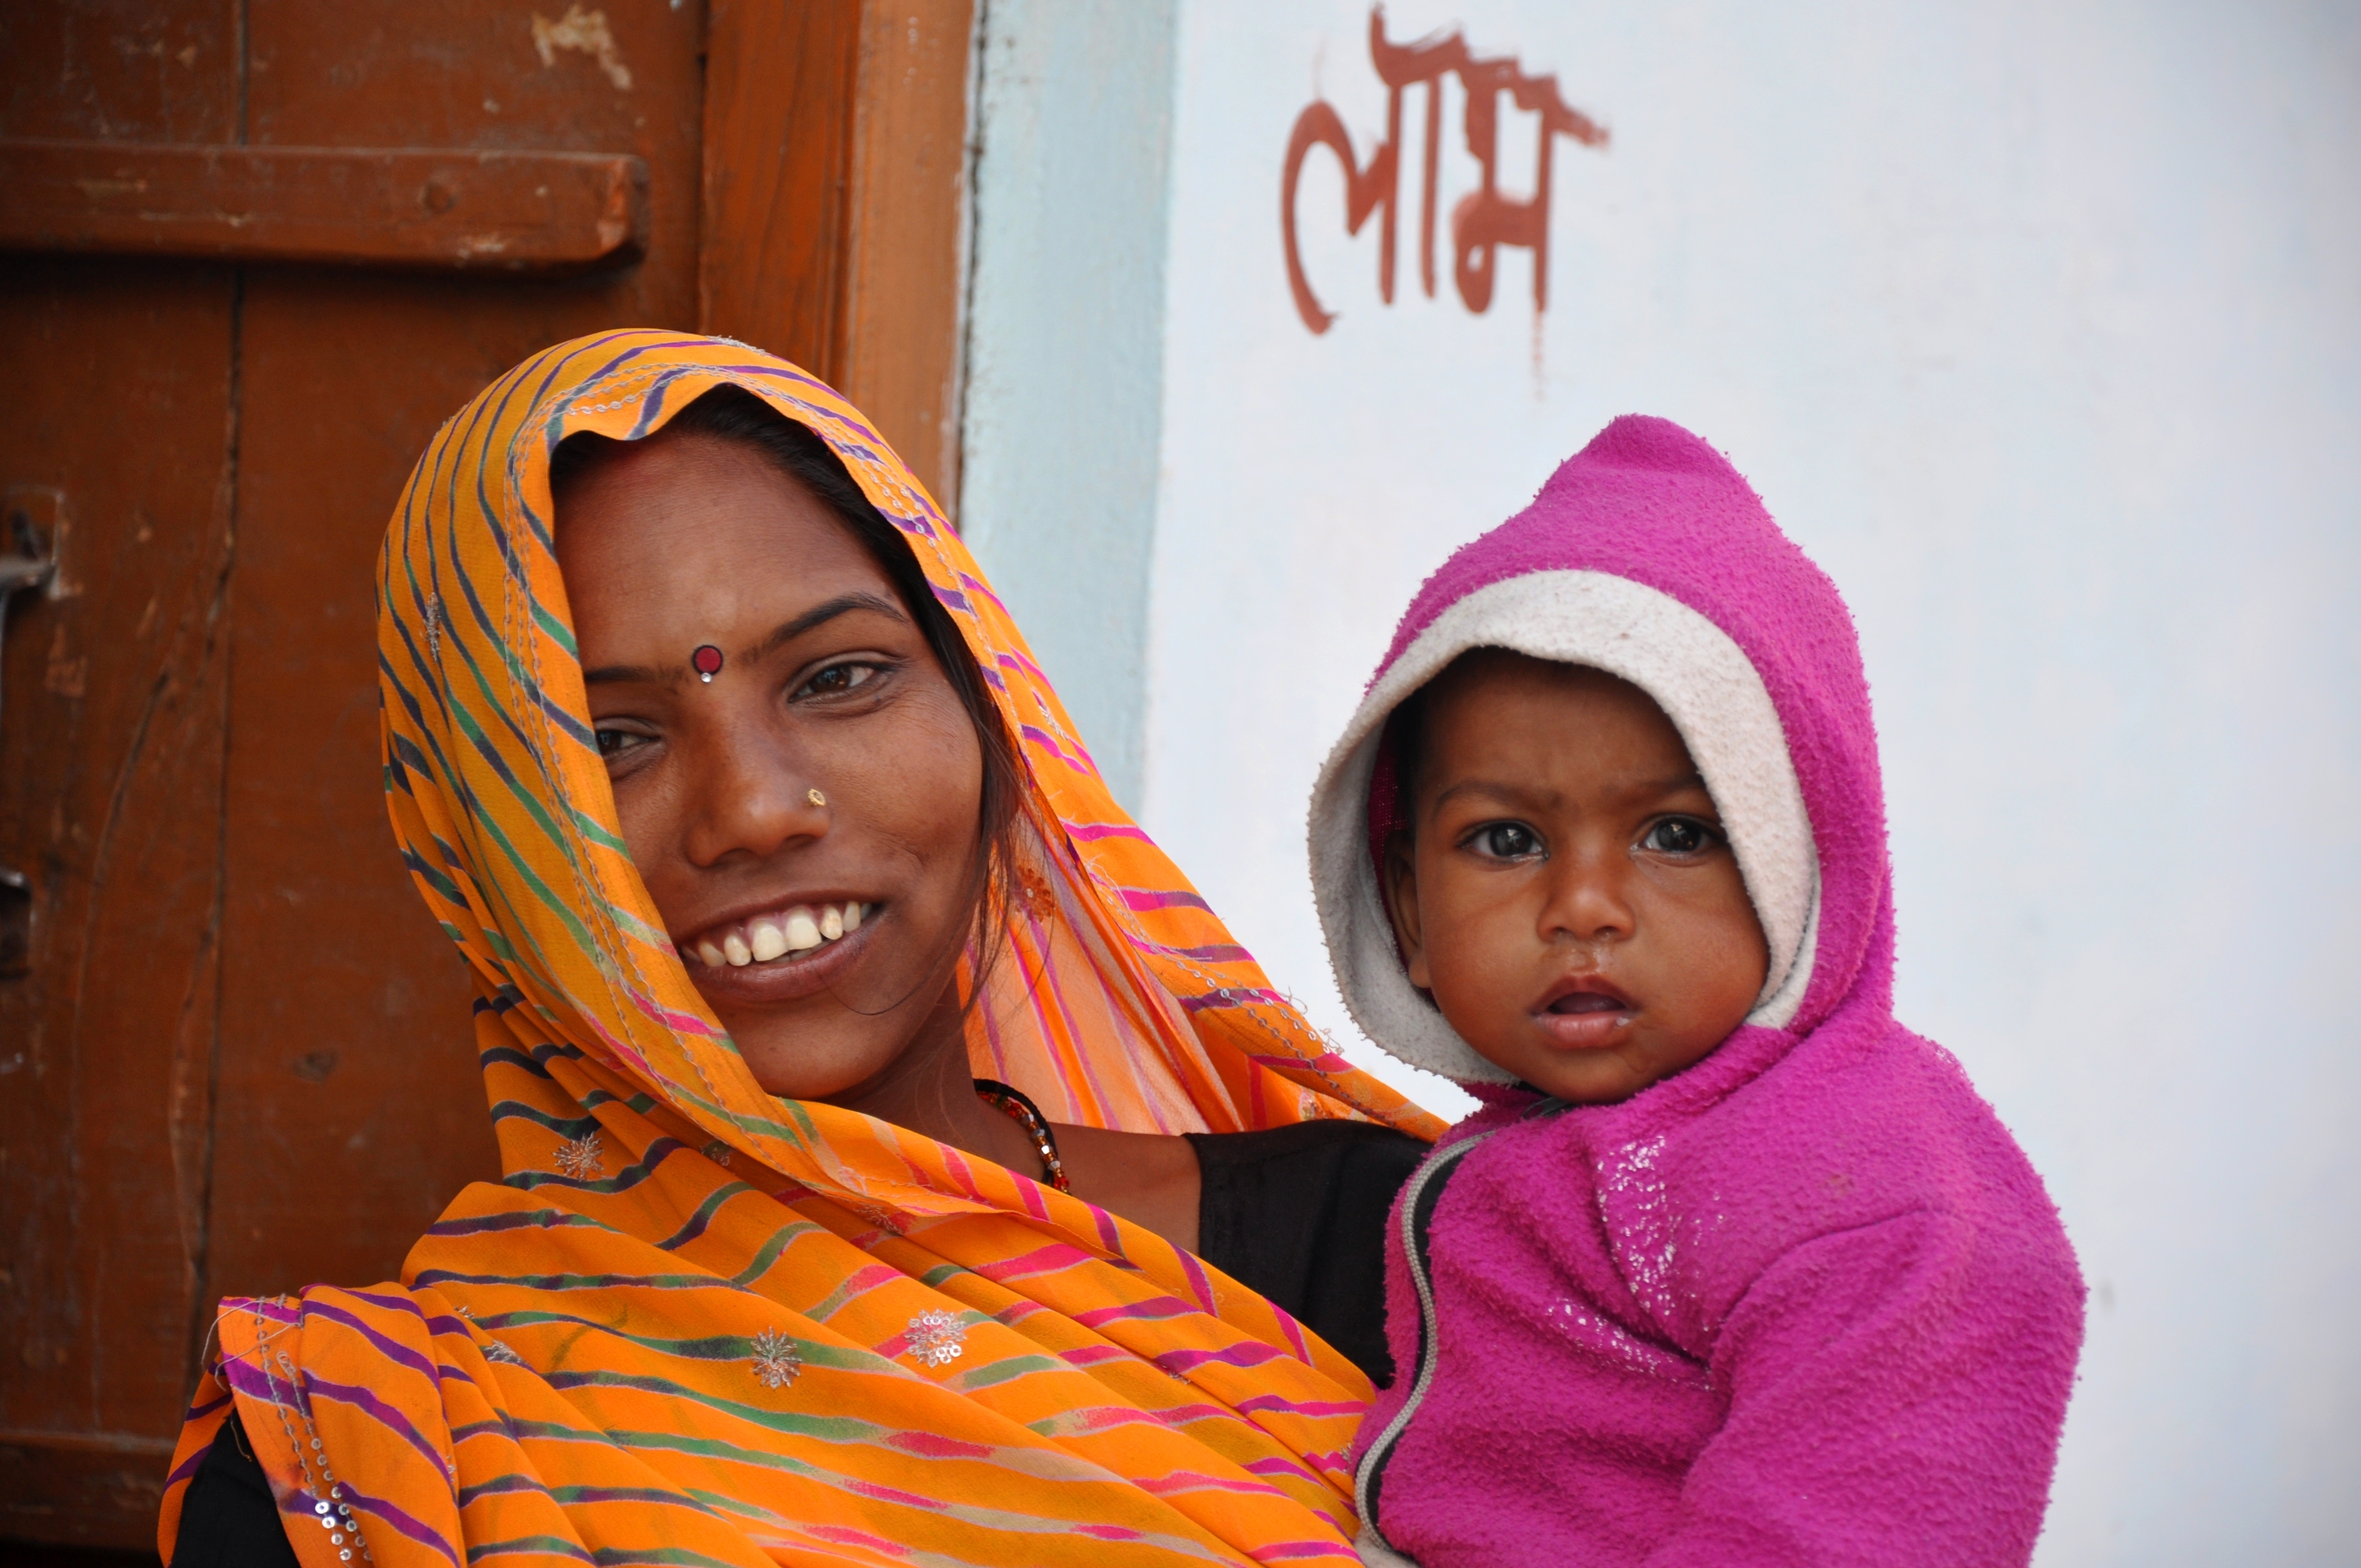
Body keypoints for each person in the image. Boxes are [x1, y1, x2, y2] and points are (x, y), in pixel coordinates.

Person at [159, 331, 1441, 1568]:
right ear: (481, 851)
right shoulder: (382, 1460)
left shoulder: (1409, 1262)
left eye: (838, 679)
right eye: (610, 742)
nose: (755, 811)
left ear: (999, 726)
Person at [1305, 416, 2085, 1566]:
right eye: (1505, 837)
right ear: (1409, 913)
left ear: (1799, 873)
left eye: (1675, 833)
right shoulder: (1549, 1148)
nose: (1582, 905)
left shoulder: (1873, 1201)